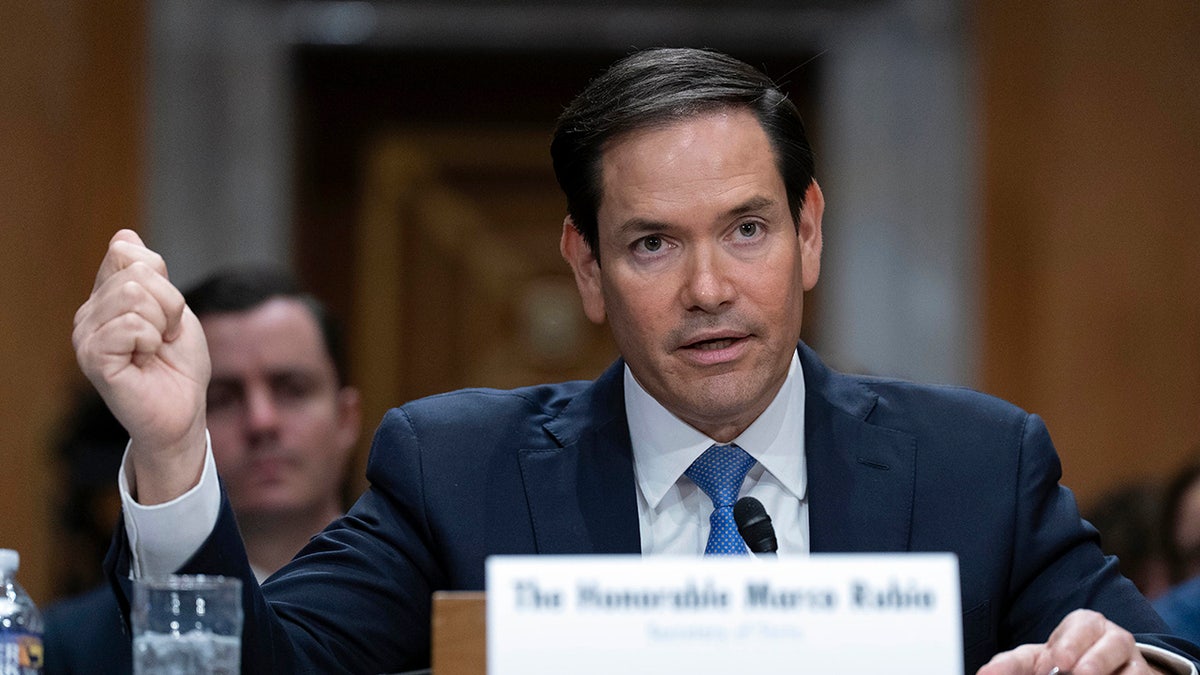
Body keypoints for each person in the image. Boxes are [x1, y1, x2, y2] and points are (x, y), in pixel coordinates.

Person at [72, 47, 1200, 674]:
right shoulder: (458, 472)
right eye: (653, 243)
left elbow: (1156, 658)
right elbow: (253, 671)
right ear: (587, 267)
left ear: (809, 233)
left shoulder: (976, 466)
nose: (709, 288)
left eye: (747, 229)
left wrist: (1129, 669)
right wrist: (171, 451)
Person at [49, 267, 362, 674]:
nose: (262, 421)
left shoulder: (419, 611)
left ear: (347, 419)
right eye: (223, 398)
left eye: (292, 389)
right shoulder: (70, 647)